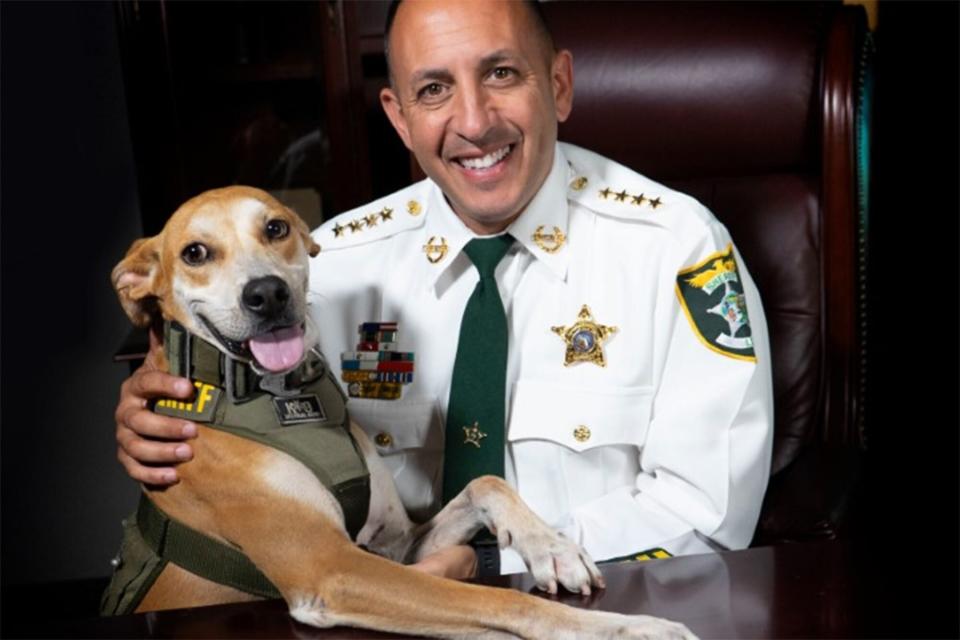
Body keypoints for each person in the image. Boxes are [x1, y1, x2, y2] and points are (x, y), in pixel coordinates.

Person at [114, 0, 773, 580]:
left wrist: (494, 565)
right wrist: (158, 402)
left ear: (560, 84)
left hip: (594, 613)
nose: (474, 120)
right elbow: (216, 385)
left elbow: (706, 517)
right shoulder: (328, 263)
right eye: (433, 89)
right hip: (381, 612)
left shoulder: (676, 248)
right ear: (399, 120)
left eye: (501, 73)